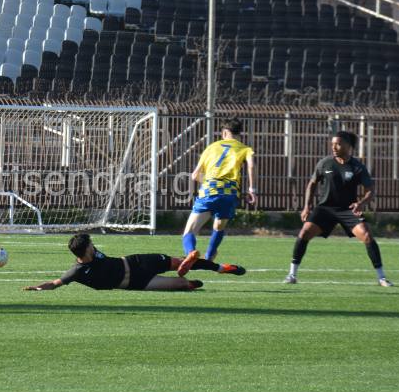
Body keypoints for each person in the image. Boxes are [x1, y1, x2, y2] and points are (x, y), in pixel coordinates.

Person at [283, 130, 393, 287]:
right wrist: (307, 206)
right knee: (304, 233)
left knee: (367, 235)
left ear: (348, 146)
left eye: (338, 144)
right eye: (332, 144)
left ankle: (382, 278)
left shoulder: (357, 167)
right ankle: (292, 275)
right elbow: (312, 184)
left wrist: (361, 203)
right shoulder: (325, 163)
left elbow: (371, 190)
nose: (334, 147)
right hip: (325, 209)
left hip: (348, 209)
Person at [22, 233, 246, 292]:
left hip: (138, 261)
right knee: (182, 284)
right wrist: (37, 288)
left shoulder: (93, 251)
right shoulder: (77, 271)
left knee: (179, 263)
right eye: (90, 244)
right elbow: (55, 283)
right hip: (136, 283)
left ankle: (221, 268)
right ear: (85, 250)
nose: (93, 245)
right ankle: (187, 280)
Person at [181, 118, 256, 262]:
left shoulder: (211, 147)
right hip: (230, 193)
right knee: (219, 226)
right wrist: (252, 189)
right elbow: (251, 166)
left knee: (189, 231)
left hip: (209, 190)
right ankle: (210, 255)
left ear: (225, 132)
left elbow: (195, 175)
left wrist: (211, 183)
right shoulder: (245, 149)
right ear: (239, 133)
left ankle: (191, 252)